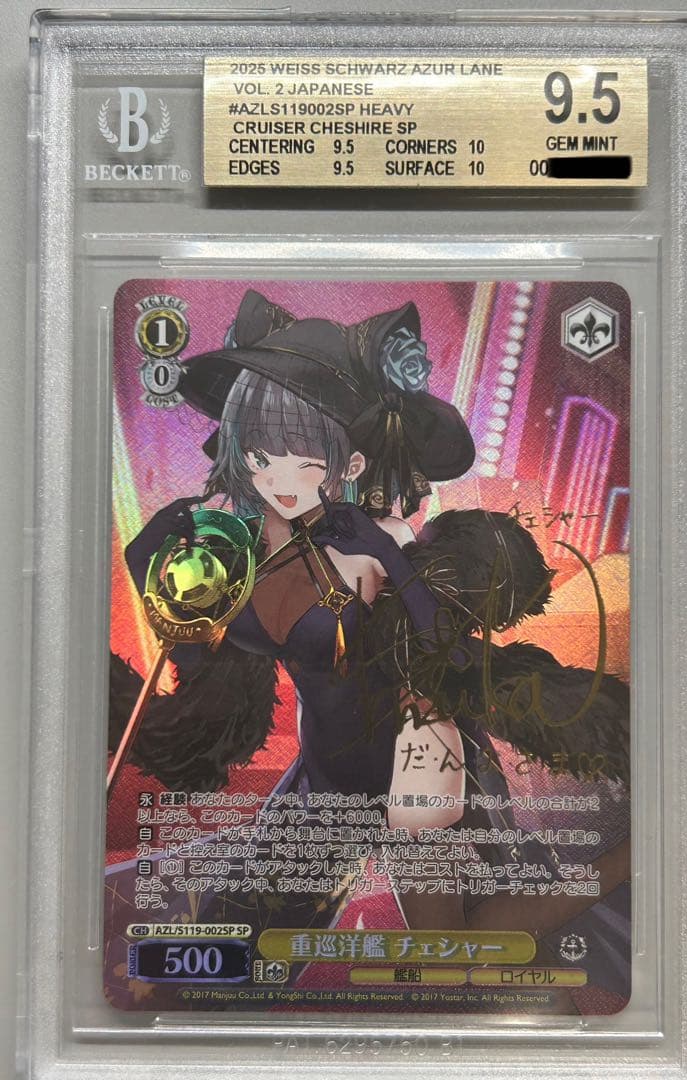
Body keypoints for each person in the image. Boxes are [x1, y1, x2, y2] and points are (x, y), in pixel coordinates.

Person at [109, 290, 630, 1004]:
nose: (278, 478)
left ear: (349, 460)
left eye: (304, 456)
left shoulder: (375, 542)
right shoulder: (240, 548)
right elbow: (218, 670)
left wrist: (386, 566)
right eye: (260, 454)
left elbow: (437, 644)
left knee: (463, 955)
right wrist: (165, 583)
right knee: (217, 966)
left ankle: (630, 859)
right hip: (328, 776)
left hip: (420, 753)